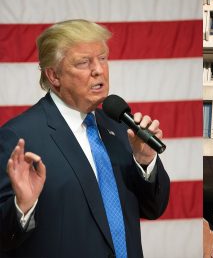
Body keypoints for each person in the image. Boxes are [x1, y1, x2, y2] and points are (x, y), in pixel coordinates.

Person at [0, 19, 170, 258]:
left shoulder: (120, 128)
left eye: (102, 58)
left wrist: (144, 161)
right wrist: (22, 207)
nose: (99, 69)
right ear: (54, 75)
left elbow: (154, 208)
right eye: (84, 62)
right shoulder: (19, 138)